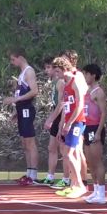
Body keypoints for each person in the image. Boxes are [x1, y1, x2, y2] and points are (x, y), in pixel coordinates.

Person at [52, 56, 87, 198]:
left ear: (64, 69)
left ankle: (79, 185)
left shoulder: (75, 81)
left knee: (69, 153)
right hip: (68, 122)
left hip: (77, 122)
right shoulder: (65, 84)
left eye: (58, 71)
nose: (56, 74)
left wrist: (70, 123)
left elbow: (79, 105)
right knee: (67, 153)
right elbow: (66, 108)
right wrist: (61, 126)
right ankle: (74, 184)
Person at [4, 47, 39, 186]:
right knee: (24, 143)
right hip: (21, 109)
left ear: (20, 57)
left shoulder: (29, 71)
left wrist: (15, 100)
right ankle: (29, 172)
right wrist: (16, 111)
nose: (12, 62)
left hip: (26, 109)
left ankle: (34, 174)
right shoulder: (22, 73)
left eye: (13, 59)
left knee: (30, 142)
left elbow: (34, 91)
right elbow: (21, 93)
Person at [34, 56, 69, 186]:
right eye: (46, 67)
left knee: (64, 150)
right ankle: (50, 176)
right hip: (56, 114)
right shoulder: (54, 82)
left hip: (62, 116)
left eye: (49, 67)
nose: (46, 70)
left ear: (56, 69)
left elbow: (61, 104)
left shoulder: (61, 82)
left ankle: (66, 179)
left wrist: (51, 119)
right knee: (51, 147)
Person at [82, 64, 107, 204]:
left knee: (97, 161)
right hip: (87, 127)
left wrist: (98, 132)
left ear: (93, 75)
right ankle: (96, 190)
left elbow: (103, 113)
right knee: (90, 161)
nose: (85, 77)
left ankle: (102, 193)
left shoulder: (99, 92)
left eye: (86, 74)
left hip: (95, 128)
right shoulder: (88, 91)